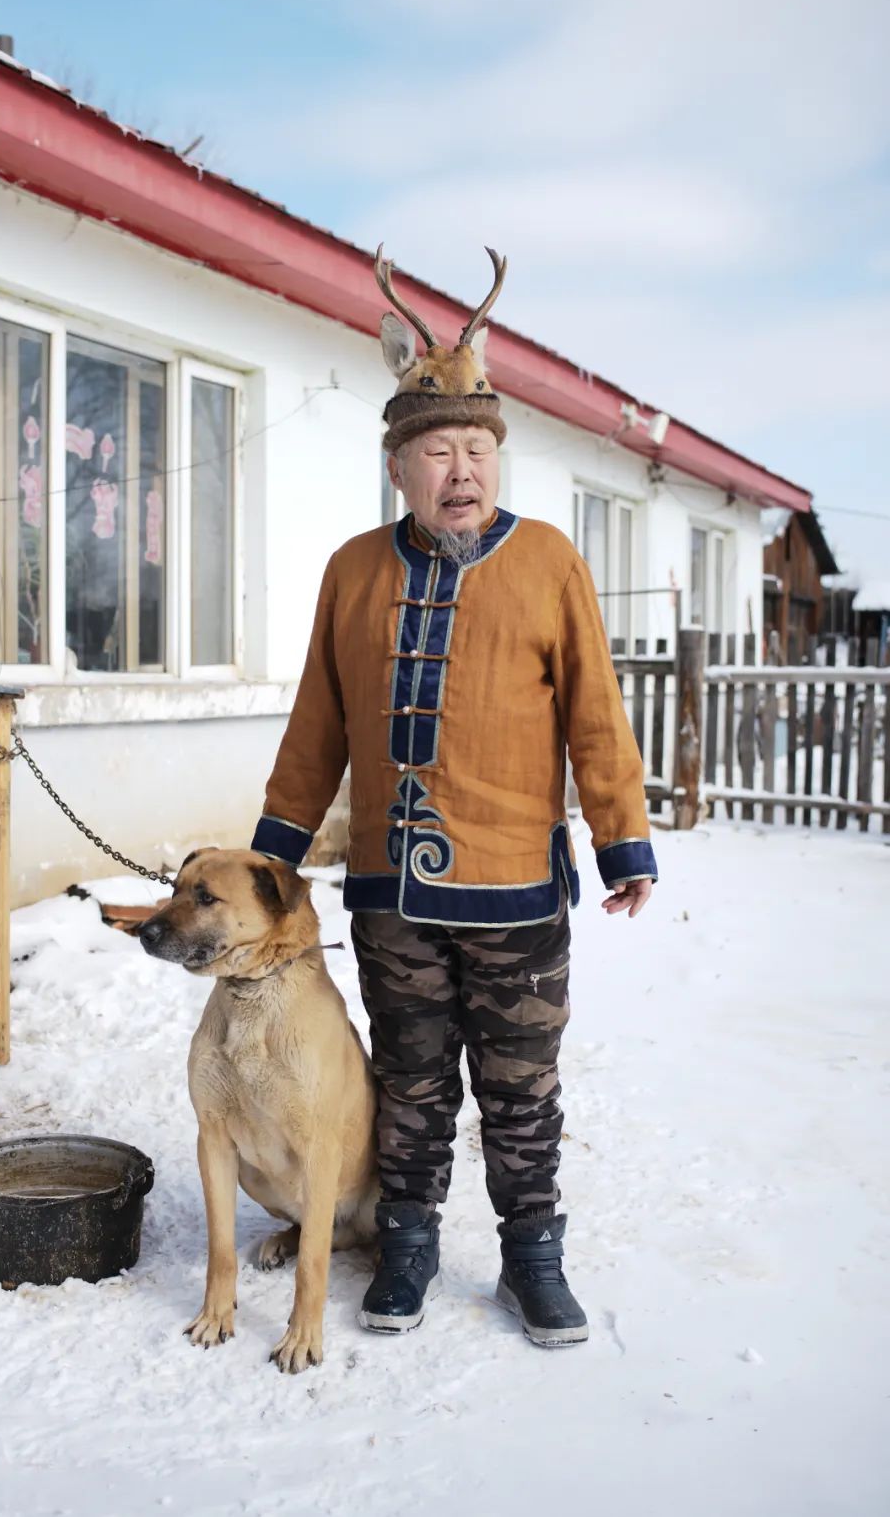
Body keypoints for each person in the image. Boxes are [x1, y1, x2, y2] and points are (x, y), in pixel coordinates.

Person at [251, 247, 657, 1348]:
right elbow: (316, 728)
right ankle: (413, 1240)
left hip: (518, 893)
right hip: (392, 894)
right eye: (438, 450)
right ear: (401, 468)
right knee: (412, 1080)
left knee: (522, 1091)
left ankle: (533, 1257)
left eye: (477, 447)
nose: (461, 469)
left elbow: (596, 715)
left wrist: (623, 841)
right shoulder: (352, 572)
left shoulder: (549, 564)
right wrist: (272, 858)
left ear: (497, 459)